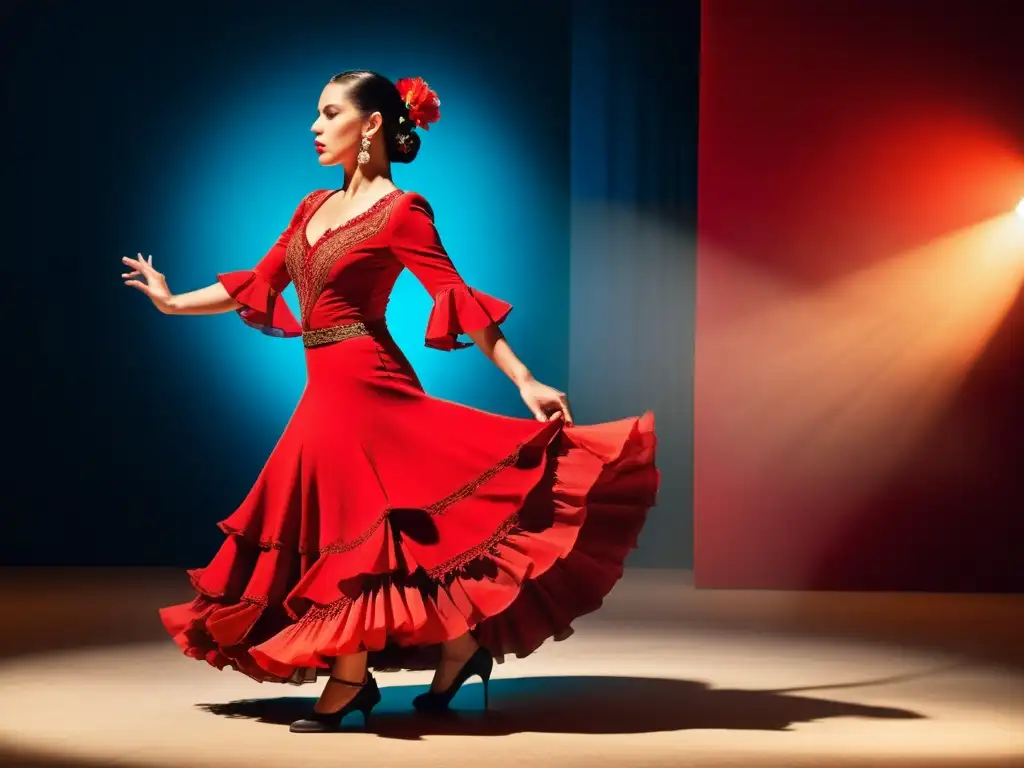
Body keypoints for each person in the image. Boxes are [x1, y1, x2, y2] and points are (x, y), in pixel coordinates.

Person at [122, 70, 659, 733]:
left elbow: (455, 295)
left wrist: (523, 378)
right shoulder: (310, 207)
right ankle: (458, 650)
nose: (315, 127)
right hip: (327, 390)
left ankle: (351, 680)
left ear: (370, 124)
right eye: (314, 115)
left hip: (370, 385)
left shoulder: (403, 212)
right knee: (365, 528)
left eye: (328, 113)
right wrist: (173, 301)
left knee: (362, 528)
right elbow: (258, 284)